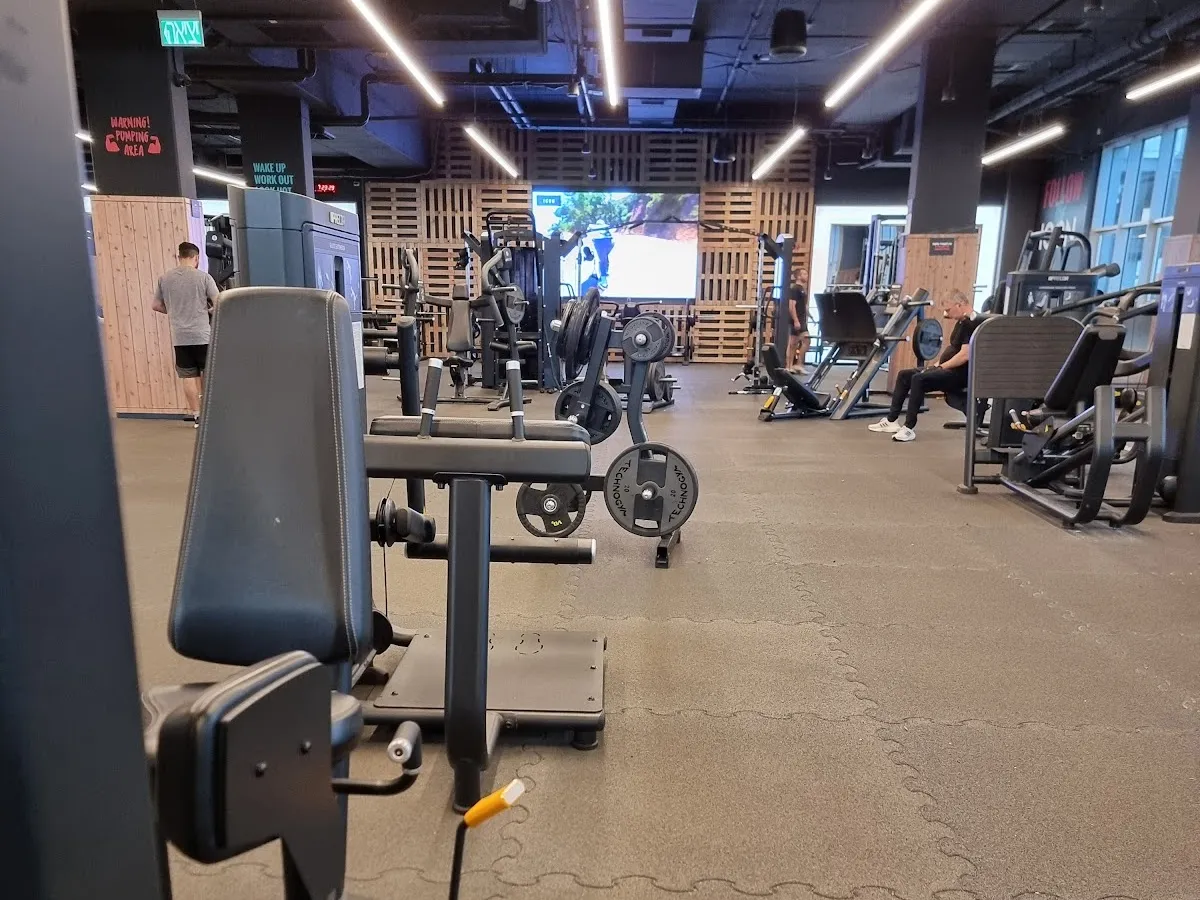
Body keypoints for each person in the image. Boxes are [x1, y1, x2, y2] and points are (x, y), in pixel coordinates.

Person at [868, 291, 980, 443]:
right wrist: (937, 365)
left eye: (948, 310)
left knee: (918, 379)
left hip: (959, 375)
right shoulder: (962, 321)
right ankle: (891, 420)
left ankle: (908, 428)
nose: (946, 314)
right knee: (904, 375)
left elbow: (964, 355)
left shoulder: (971, 323)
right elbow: (954, 350)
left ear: (959, 305)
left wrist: (941, 367)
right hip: (949, 369)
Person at [152, 241, 219, 427]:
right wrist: (207, 311)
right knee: (208, 374)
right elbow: (218, 301)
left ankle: (197, 416)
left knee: (188, 376)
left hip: (180, 337)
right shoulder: (203, 278)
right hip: (202, 335)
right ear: (196, 258)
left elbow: (155, 305)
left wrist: (173, 311)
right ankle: (209, 415)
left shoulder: (164, 279)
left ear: (179, 256)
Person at [787, 268, 811, 372]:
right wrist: (796, 320)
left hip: (802, 319)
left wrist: (811, 316)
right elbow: (791, 306)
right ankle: (789, 366)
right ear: (798, 276)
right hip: (796, 320)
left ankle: (797, 365)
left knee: (803, 342)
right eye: (804, 274)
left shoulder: (802, 289)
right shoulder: (795, 289)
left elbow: (804, 305)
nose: (806, 276)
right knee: (794, 343)